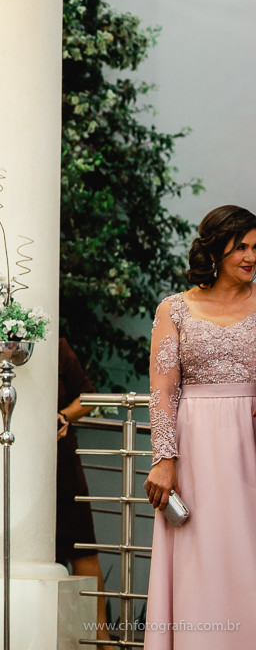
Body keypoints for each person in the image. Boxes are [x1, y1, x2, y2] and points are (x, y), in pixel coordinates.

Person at [142, 204, 256, 650]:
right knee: (199, 556)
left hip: (249, 446)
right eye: (241, 246)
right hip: (195, 449)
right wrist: (163, 460)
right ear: (215, 248)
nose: (251, 256)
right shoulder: (174, 308)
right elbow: (163, 390)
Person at [53, 337, 109, 643]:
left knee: (83, 549)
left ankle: (101, 639)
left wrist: (63, 417)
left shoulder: (58, 346)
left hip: (61, 462)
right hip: (11, 463)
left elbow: (88, 397)